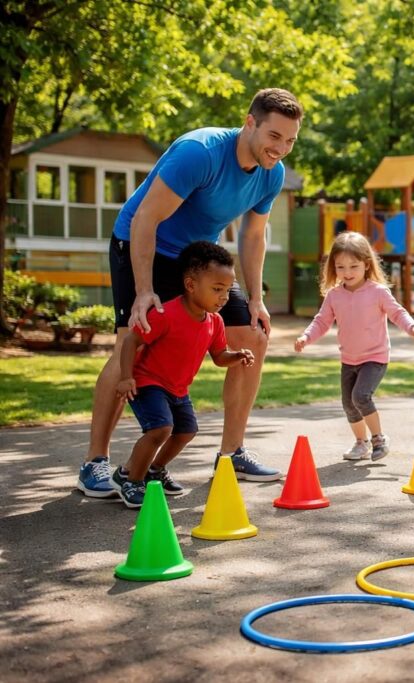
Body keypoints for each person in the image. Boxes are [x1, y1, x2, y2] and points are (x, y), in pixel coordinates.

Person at [77, 88, 302, 498]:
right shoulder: (199, 152)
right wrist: (144, 291)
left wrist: (256, 298)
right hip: (142, 242)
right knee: (133, 340)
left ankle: (231, 454)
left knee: (253, 332)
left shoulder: (272, 174)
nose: (281, 148)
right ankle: (95, 461)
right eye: (274, 136)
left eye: (290, 140)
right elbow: (147, 217)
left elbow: (253, 236)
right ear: (249, 122)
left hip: (197, 259)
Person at [111, 242, 255, 508]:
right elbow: (132, 341)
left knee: (187, 431)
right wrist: (126, 377)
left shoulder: (215, 322)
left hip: (178, 389)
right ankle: (129, 479)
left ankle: (156, 470)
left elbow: (220, 356)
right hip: (148, 382)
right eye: (217, 289)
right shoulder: (167, 314)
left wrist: (237, 356)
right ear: (191, 285)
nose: (224, 297)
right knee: (160, 429)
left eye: (227, 290)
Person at [294, 232, 414, 461]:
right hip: (349, 359)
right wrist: (306, 337)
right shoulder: (335, 295)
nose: (347, 273)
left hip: (374, 357)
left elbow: (397, 312)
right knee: (349, 404)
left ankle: (378, 439)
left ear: (366, 264)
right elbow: (322, 321)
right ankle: (360, 443)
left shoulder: (378, 292)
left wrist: (412, 328)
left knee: (361, 396)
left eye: (353, 266)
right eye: (341, 267)